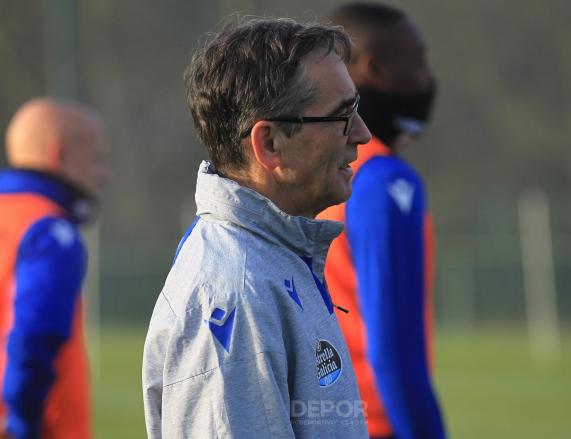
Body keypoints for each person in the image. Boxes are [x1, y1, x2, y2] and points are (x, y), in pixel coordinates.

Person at [142, 17, 372, 438]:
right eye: (342, 116)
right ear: (269, 144)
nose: (362, 133)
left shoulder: (274, 256)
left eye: (356, 109)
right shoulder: (233, 294)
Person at [318, 3, 446, 438]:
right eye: (418, 62)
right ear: (374, 67)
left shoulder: (307, 175)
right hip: (374, 423)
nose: (426, 79)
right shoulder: (386, 183)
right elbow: (394, 353)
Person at [0, 97, 109, 439]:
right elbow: (35, 335)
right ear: (59, 155)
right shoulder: (49, 231)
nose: (105, 176)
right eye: (96, 160)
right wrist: (21, 424)